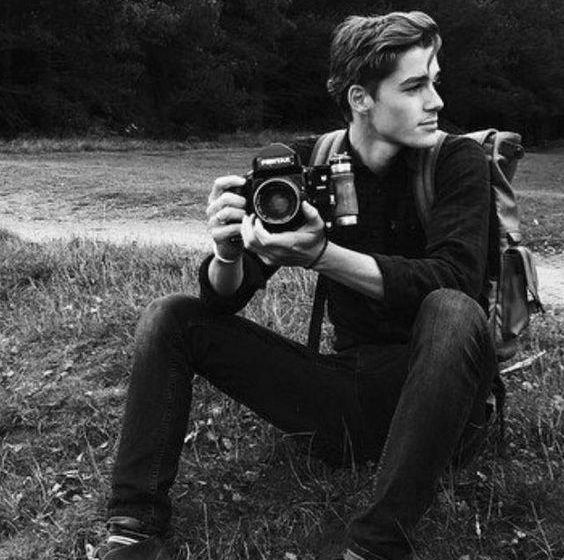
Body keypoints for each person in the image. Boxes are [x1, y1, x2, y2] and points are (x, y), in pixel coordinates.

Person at [94, 10, 498, 560]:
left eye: (434, 82)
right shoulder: (308, 164)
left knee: (450, 308)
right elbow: (223, 298)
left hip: (448, 411)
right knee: (172, 316)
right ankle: (133, 532)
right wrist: (228, 251)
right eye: (414, 87)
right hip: (351, 396)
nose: (436, 101)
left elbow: (456, 282)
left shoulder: (455, 161)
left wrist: (323, 256)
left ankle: (376, 548)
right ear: (361, 98)